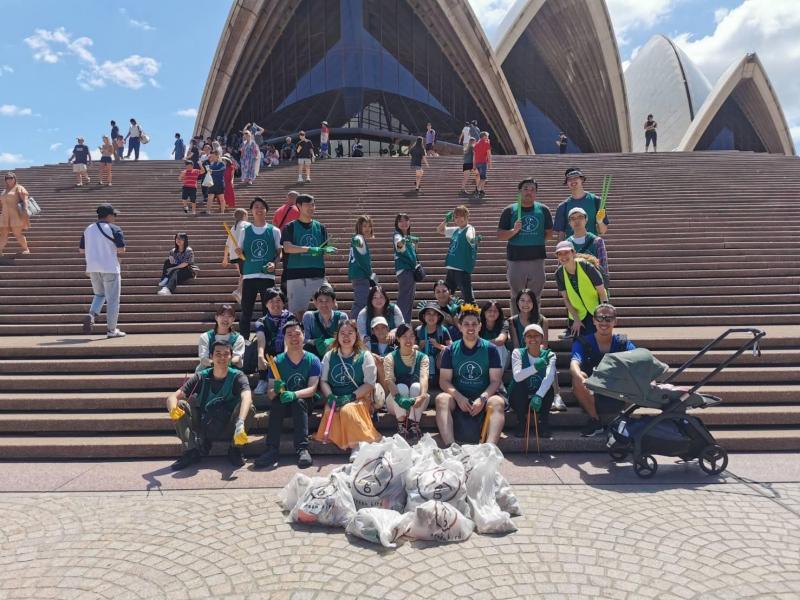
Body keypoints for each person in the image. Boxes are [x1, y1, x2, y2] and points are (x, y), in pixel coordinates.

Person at [166, 339, 255, 470]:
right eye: (218, 354)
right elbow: (172, 397)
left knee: (249, 407)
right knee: (180, 405)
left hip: (229, 426)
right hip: (204, 424)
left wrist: (240, 422)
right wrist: (173, 409)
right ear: (211, 356)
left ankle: (235, 448)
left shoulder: (238, 376)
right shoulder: (201, 376)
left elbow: (247, 396)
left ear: (231, 357)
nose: (222, 357)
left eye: (226, 354)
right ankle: (190, 451)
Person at [254, 320, 320, 469]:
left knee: (299, 402)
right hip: (283, 403)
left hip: (305, 403)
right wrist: (276, 390)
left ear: (303, 335)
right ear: (284, 338)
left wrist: (294, 394)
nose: (294, 338)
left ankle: (302, 449)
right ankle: (272, 449)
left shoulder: (313, 360)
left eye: (297, 334)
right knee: (276, 402)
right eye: (289, 335)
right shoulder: (277, 361)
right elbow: (270, 394)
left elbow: (312, 389)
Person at [435, 305, 505, 445]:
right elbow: (444, 381)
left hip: (483, 394)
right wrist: (459, 397)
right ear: (460, 327)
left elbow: (495, 381)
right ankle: (451, 446)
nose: (470, 327)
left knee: (497, 402)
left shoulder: (491, 349)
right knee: (441, 399)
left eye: (474, 324)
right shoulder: (450, 350)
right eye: (466, 324)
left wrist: (483, 398)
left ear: (480, 326)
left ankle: (490, 447)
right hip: (459, 396)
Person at [312, 320, 382, 451]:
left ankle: (356, 446)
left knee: (348, 410)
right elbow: (324, 381)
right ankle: (344, 441)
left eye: (350, 333)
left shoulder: (365, 355)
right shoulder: (329, 355)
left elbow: (370, 383)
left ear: (356, 335)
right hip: (335, 398)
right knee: (332, 410)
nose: (346, 337)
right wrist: (330, 396)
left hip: (359, 397)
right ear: (337, 336)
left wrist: (351, 397)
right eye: (342, 333)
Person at [570, 303, 635, 436]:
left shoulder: (623, 341)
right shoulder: (582, 341)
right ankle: (595, 420)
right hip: (591, 393)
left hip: (617, 393)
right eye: (600, 318)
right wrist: (580, 377)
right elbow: (574, 363)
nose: (604, 322)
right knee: (577, 377)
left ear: (615, 321)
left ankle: (623, 418)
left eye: (608, 318)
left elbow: (638, 359)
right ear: (594, 320)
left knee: (636, 374)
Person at [497, 177, 553, 310]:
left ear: (536, 193)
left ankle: (534, 321)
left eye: (532, 189)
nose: (529, 192)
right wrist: (514, 231)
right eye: (526, 189)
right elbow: (500, 235)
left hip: (537, 259)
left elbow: (549, 234)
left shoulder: (543, 210)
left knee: (535, 296)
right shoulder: (510, 210)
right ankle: (516, 321)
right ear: (520, 191)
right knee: (517, 296)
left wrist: (534, 241)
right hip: (516, 259)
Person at [235, 197, 282, 339]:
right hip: (249, 276)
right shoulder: (245, 230)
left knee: (268, 311)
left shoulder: (274, 230)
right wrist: (239, 253)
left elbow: (279, 253)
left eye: (262, 207)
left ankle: (268, 339)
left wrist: (274, 264)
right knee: (246, 311)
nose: (259, 209)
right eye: (256, 207)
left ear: (266, 210)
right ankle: (244, 341)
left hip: (267, 276)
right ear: (251, 211)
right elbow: (241, 253)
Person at [281, 194, 333, 319]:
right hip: (296, 274)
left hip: (318, 273)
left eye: (313, 205)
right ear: (299, 206)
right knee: (297, 313)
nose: (311, 207)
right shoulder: (290, 227)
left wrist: (326, 250)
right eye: (308, 205)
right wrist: (309, 249)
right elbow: (287, 248)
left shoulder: (321, 227)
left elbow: (324, 249)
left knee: (330, 306)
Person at [79, 203, 125, 337]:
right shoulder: (114, 228)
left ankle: (92, 314)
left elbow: (81, 250)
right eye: (114, 215)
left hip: (93, 268)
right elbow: (121, 249)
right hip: (110, 267)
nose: (115, 217)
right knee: (113, 300)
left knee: (99, 294)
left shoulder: (88, 229)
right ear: (109, 215)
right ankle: (111, 330)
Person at [510, 324, 557, 438]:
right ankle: (521, 422)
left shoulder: (550, 355)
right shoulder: (517, 353)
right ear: (524, 339)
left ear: (542, 338)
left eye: (536, 335)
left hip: (539, 399)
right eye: (529, 336)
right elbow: (517, 376)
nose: (532, 338)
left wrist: (539, 395)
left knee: (549, 389)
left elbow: (549, 377)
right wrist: (536, 367)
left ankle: (543, 423)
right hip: (519, 398)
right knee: (519, 386)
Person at [554, 240, 609, 338]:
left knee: (592, 335)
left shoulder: (587, 266)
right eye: (560, 254)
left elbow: (602, 292)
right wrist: (576, 319)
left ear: (573, 253)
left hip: (595, 310)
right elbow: (566, 299)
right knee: (579, 337)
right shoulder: (559, 273)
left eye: (566, 252)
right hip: (577, 314)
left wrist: (603, 315)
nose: (563, 256)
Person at [384, 323, 430, 441]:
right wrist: (399, 398)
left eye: (411, 336)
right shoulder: (390, 357)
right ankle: (402, 425)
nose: (408, 340)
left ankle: (414, 424)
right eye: (404, 336)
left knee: (417, 386)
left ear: (415, 338)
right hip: (395, 401)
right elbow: (389, 380)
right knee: (401, 387)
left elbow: (424, 377)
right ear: (398, 338)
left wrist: (422, 396)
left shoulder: (423, 357)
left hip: (417, 401)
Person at [253, 287, 295, 394]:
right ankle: (263, 379)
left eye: (278, 300)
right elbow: (261, 339)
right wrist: (260, 355)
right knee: (260, 349)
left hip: (286, 348)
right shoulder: (261, 321)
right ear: (266, 304)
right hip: (269, 352)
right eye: (271, 301)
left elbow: (288, 337)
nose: (275, 304)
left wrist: (285, 354)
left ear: (283, 303)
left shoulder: (290, 318)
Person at [437, 205, 478, 303]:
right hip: (451, 268)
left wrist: (473, 240)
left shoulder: (470, 229)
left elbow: (470, 237)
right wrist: (446, 220)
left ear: (466, 216)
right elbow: (440, 230)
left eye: (461, 216)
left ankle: (472, 312)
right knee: (446, 297)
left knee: (468, 297)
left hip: (462, 269)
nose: (458, 219)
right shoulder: (456, 230)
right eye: (456, 217)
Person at [554, 168, 609, 240]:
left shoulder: (596, 201)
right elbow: (561, 234)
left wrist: (600, 221)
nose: (572, 181)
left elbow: (603, 231)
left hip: (591, 245)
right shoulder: (563, 206)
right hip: (571, 246)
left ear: (582, 179)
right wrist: (561, 246)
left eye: (575, 178)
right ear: (567, 183)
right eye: (569, 179)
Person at [566, 207, 609, 287]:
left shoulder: (597, 241)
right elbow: (562, 269)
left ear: (586, 220)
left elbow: (604, 267)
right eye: (573, 218)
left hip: (594, 286)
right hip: (574, 287)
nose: (577, 220)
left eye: (580, 217)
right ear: (569, 223)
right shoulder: (566, 244)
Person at [302, 286, 347, 358]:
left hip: (336, 352)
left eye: (327, 301)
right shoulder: (309, 316)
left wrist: (331, 342)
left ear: (334, 302)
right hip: (316, 353)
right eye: (320, 301)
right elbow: (305, 340)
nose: (324, 304)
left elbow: (345, 338)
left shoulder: (341, 317)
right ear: (316, 303)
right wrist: (316, 342)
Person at [415, 301, 451, 391]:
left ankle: (442, 381)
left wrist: (437, 345)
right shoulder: (418, 331)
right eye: (428, 314)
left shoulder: (443, 330)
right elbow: (411, 348)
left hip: (439, 365)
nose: (431, 316)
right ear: (424, 316)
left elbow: (452, 349)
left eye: (434, 314)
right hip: (422, 364)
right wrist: (419, 347)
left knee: (444, 352)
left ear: (438, 317)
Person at [197, 304, 245, 371]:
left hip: (230, 370)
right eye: (222, 315)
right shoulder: (205, 337)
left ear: (233, 319)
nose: (225, 319)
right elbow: (203, 359)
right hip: (208, 369)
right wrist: (217, 364)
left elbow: (237, 358)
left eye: (229, 316)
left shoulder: (238, 338)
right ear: (216, 317)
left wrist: (222, 364)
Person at [348, 215, 375, 320]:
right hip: (360, 275)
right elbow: (357, 241)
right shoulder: (358, 238)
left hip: (360, 276)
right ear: (359, 227)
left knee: (362, 302)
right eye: (364, 226)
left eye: (369, 226)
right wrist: (357, 242)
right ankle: (353, 325)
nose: (367, 229)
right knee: (361, 303)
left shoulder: (360, 238)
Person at [393, 213, 418, 322]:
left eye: (406, 220)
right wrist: (404, 241)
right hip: (405, 271)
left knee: (408, 300)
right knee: (404, 300)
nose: (404, 223)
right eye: (400, 221)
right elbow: (399, 245)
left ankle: (405, 323)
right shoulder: (397, 235)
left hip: (409, 271)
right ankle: (400, 325)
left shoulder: (407, 236)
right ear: (397, 224)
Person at [0, 172, 31, 256]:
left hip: (15, 214)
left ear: (14, 179)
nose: (9, 179)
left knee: (17, 233)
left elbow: (25, 199)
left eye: (11, 178)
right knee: (3, 235)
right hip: (5, 215)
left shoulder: (19, 188)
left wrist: (25, 209)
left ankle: (26, 249)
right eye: (7, 178)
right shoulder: (4, 191)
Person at [222, 208, 249, 302]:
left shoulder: (234, 227)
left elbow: (227, 244)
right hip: (244, 254)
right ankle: (239, 291)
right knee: (246, 275)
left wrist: (225, 258)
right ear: (244, 216)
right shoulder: (247, 225)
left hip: (234, 255)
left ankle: (241, 295)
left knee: (242, 275)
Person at [480, 300, 509, 369]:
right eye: (489, 311)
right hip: (483, 354)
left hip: (502, 357)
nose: (492, 313)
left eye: (495, 311)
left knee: (498, 346)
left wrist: (482, 343)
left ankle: (497, 374)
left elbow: (500, 341)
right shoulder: (478, 323)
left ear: (499, 313)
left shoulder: (504, 323)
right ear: (484, 312)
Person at [472, 131, 491, 197]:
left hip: (477, 163)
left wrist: (474, 165)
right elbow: (489, 154)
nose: (487, 137)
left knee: (479, 177)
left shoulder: (476, 144)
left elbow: (474, 156)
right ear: (484, 137)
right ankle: (477, 190)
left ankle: (482, 190)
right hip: (483, 163)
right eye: (487, 136)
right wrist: (489, 163)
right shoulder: (487, 144)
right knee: (483, 178)